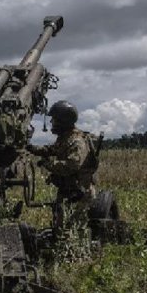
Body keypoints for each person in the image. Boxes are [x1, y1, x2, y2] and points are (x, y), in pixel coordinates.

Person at [27, 100, 99, 263]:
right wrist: (31, 148)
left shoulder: (76, 141)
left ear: (64, 121)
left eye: (55, 120)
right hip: (69, 192)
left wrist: (49, 165)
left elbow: (72, 165)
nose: (52, 123)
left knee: (71, 228)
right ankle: (65, 256)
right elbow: (51, 150)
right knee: (60, 226)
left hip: (79, 193)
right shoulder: (65, 138)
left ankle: (78, 260)